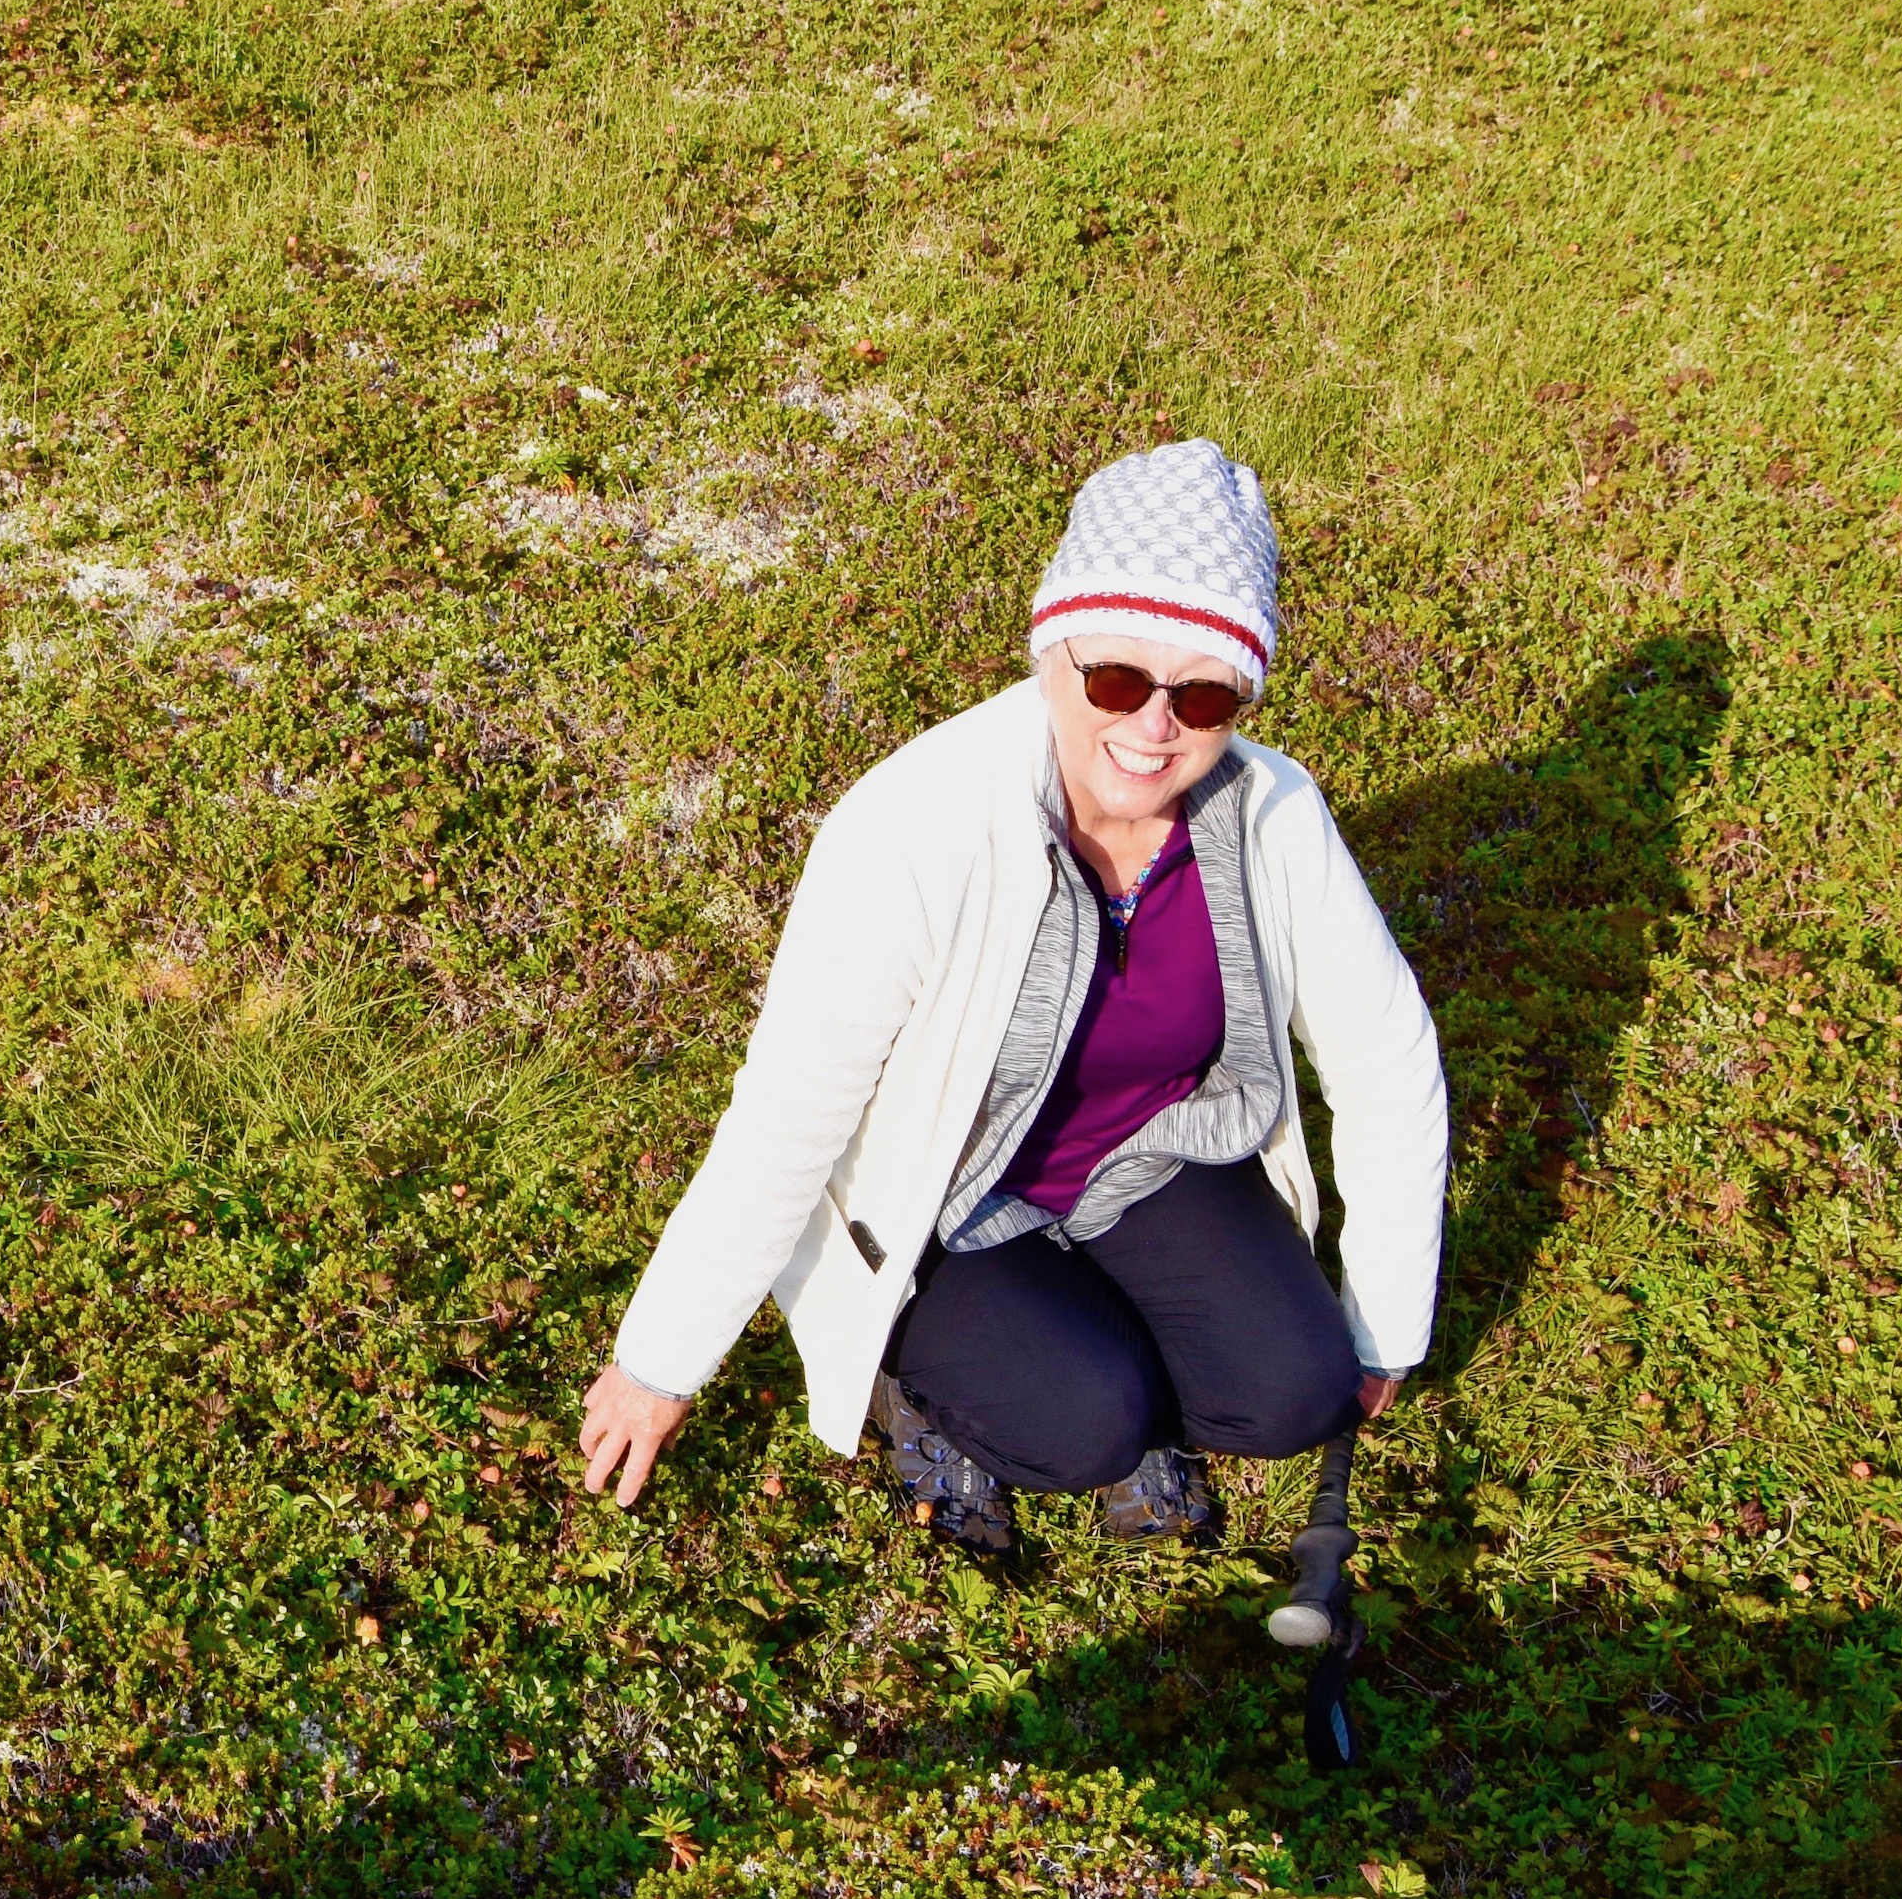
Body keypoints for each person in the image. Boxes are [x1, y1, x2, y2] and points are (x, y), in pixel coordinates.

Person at [578, 438, 1448, 1555]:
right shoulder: (912, 826)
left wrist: (1384, 1324)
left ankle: (1099, 1349)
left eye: (1204, 691)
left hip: (1150, 1152)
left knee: (1293, 1395)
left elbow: (1386, 1064)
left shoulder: (1273, 814)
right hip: (947, 1194)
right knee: (1087, 1426)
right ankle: (916, 1386)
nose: (1153, 726)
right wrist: (661, 1360)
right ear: (1052, 650)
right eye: (1120, 678)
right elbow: (789, 1114)